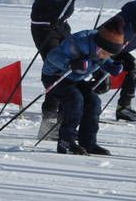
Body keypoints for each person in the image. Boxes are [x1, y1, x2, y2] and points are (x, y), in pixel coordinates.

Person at [31, 0, 123, 133]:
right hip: (43, 27)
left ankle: (65, 119)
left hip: (62, 26)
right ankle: (48, 122)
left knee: (72, 69)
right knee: (56, 70)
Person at [41, 19, 126, 156]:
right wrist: (71, 64)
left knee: (93, 102)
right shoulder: (78, 43)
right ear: (98, 46)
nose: (106, 57)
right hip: (55, 76)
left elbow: (102, 59)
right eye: (105, 53)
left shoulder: (102, 47)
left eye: (110, 55)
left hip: (74, 79)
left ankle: (88, 142)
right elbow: (52, 56)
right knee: (75, 100)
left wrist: (110, 66)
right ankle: (66, 142)